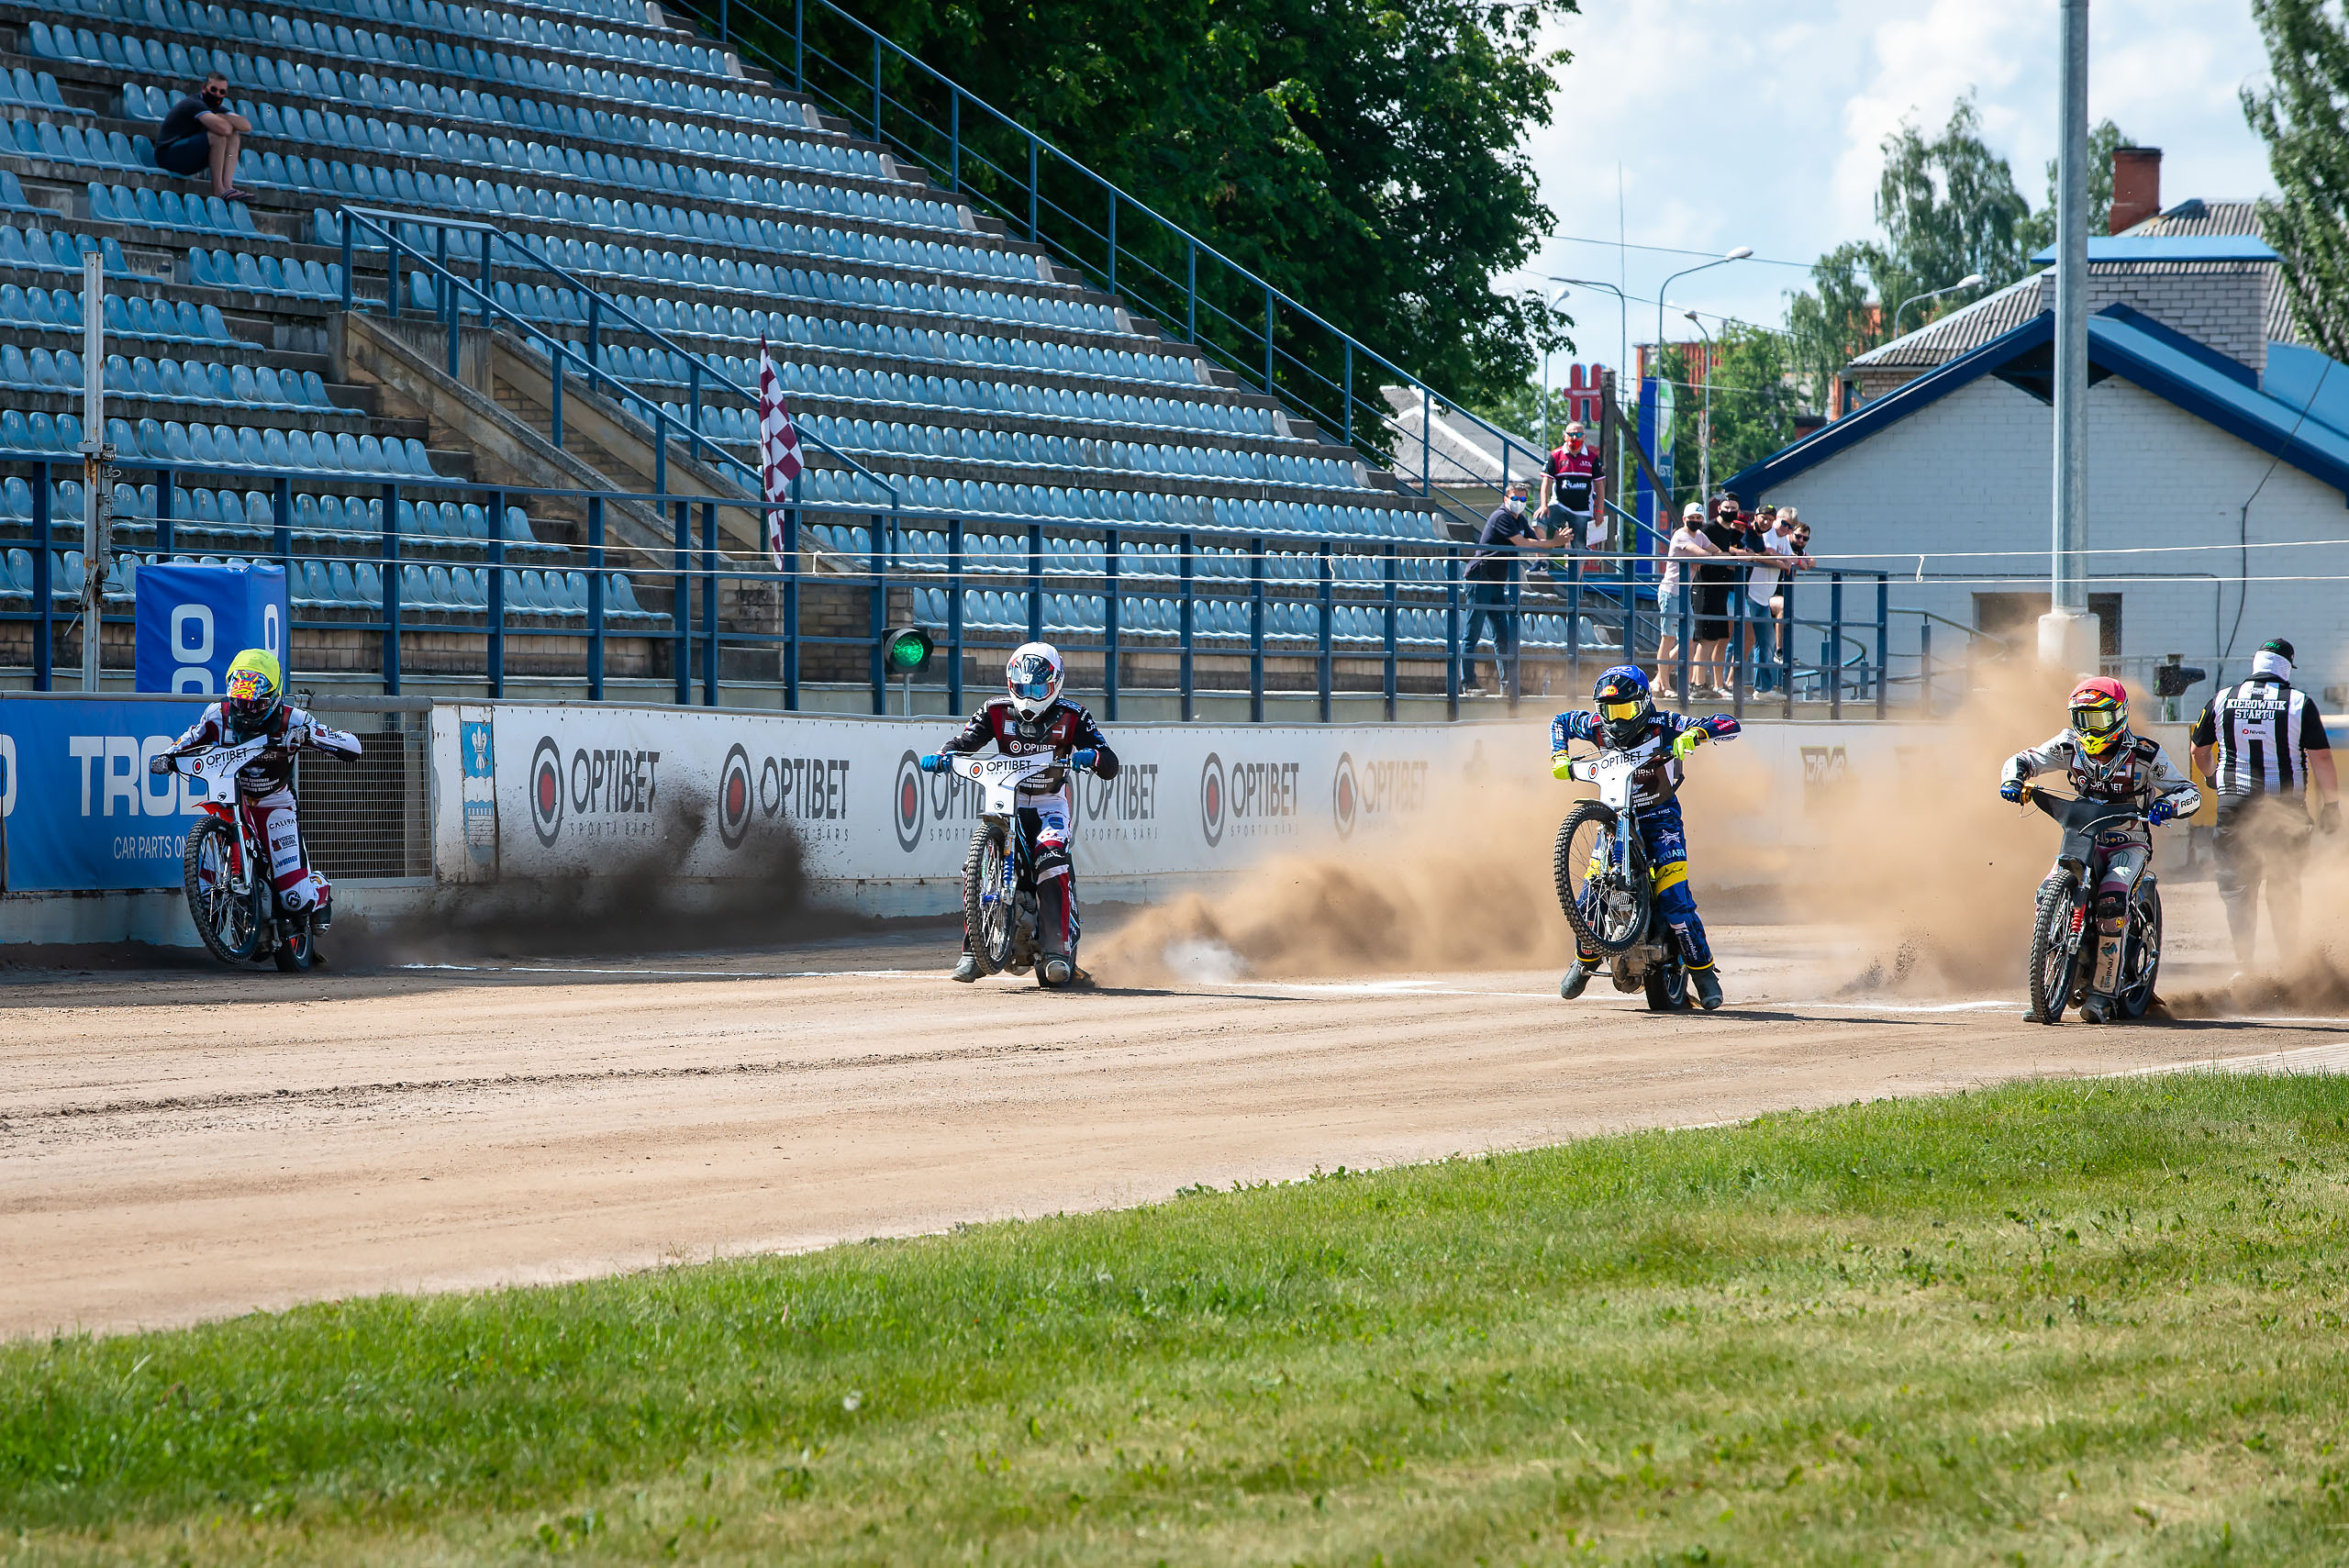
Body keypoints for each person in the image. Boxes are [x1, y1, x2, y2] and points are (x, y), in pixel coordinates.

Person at [1999, 676, 2201, 1024]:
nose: (2090, 730)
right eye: (2082, 720)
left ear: (2119, 716)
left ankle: (2104, 993)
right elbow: (2023, 759)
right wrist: (2013, 780)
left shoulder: (2145, 754)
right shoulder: (2067, 746)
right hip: (2081, 837)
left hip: (2129, 842)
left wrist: (2168, 805)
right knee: (2046, 890)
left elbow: (2189, 792)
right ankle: (2047, 985)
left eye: (2099, 720)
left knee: (2112, 898)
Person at [918, 642, 1119, 986]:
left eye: (1038, 688)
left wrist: (1091, 757)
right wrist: (942, 756)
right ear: (1011, 682)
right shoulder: (994, 710)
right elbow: (965, 741)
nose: (1029, 696)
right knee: (976, 865)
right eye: (1023, 688)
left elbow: (1109, 762)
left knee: (1051, 856)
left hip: (1049, 803)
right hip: (1005, 798)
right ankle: (973, 952)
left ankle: (1057, 950)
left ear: (1055, 684)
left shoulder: (1074, 715)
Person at [1552, 665, 1742, 1010]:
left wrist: (1695, 734)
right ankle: (1584, 961)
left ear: (1644, 704)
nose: (1617, 721)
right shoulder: (1597, 728)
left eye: (1625, 711)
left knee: (1674, 898)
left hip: (1660, 818)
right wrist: (1559, 754)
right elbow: (1561, 722)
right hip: (1613, 821)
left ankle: (1704, 973)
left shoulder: (1664, 725)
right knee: (1591, 891)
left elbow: (1729, 723)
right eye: (1610, 711)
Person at [150, 649, 362, 927]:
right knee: (206, 875)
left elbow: (352, 746)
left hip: (275, 804)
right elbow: (190, 738)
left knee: (296, 899)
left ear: (274, 697)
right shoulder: (218, 715)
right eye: (240, 702)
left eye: (256, 704)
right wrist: (167, 757)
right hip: (232, 799)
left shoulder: (293, 719)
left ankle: (318, 887)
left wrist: (309, 735)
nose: (246, 711)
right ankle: (219, 906)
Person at [2188, 638, 2340, 971]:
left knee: (2238, 885)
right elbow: (2323, 758)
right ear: (2286, 668)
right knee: (2284, 883)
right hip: (2284, 809)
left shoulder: (2223, 698)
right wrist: (2331, 805)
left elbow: (2198, 751)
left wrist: (2214, 779)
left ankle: (2245, 964)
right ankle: (2288, 963)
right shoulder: (2299, 702)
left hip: (2234, 805)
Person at [1463, 481, 1544, 695]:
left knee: (1502, 634)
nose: (1519, 503)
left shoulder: (1520, 519)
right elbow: (1521, 542)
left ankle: (1508, 685)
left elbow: (1535, 539)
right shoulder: (1502, 516)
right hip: (1481, 578)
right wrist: (1552, 543)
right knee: (1473, 631)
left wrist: (1550, 539)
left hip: (1496, 582)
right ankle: (1467, 682)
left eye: (1523, 499)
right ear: (1506, 499)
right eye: (1515, 499)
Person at [1654, 500, 1721, 699]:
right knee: (1668, 638)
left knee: (1689, 640)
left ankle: (1659, 678)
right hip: (1671, 592)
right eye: (1691, 518)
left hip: (1684, 593)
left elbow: (1715, 551)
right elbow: (1704, 553)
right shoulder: (1680, 535)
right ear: (1684, 519)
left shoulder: (1699, 535)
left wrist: (1703, 558)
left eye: (1698, 518)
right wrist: (1700, 558)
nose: (1695, 521)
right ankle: (1665, 685)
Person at [152, 72, 252, 200]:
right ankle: (218, 190)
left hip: (188, 157)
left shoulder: (217, 108)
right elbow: (224, 129)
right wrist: (225, 120)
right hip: (168, 156)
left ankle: (228, 187)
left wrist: (223, 116)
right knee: (218, 137)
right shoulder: (194, 103)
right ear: (204, 87)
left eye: (222, 92)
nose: (217, 94)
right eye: (214, 89)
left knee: (234, 136)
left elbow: (246, 126)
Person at [1743, 506, 1812, 693]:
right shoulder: (1770, 533)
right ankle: (1729, 683)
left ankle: (1763, 689)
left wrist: (1794, 561)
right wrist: (1788, 561)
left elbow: (1799, 559)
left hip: (1764, 598)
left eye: (1790, 527)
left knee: (1765, 643)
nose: (1786, 529)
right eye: (1784, 523)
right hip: (1751, 594)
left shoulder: (1784, 541)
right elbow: (1770, 553)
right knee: (1743, 642)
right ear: (1777, 520)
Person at [1690, 496, 1753, 699]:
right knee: (1703, 638)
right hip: (1706, 589)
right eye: (1726, 507)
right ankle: (1696, 684)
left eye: (1733, 508)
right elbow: (1696, 548)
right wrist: (1721, 558)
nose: (1730, 511)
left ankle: (1702, 683)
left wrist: (1731, 555)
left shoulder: (1729, 532)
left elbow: (1721, 552)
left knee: (1712, 639)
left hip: (1721, 591)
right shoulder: (1708, 528)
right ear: (1719, 508)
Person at [1540, 420, 1605, 552]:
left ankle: (1576, 573)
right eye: (1571, 434)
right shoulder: (1555, 455)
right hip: (1559, 505)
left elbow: (1599, 486)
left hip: (1582, 510)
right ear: (1565, 436)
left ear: (1584, 437)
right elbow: (1546, 482)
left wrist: (1599, 511)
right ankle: (1541, 562)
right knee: (1539, 519)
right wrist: (1543, 505)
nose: (1575, 438)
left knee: (1579, 548)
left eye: (1579, 434)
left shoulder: (1592, 458)